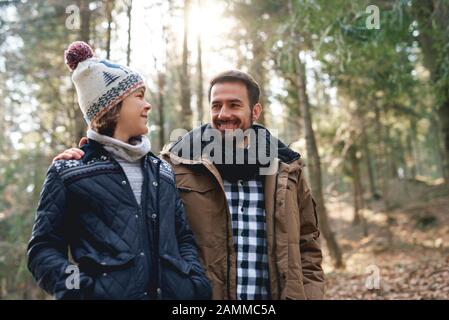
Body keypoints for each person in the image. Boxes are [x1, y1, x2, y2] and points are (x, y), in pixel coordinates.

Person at [55, 69, 325, 300]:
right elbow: (131, 200)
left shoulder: (287, 170)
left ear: (255, 111)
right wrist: (87, 156)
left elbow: (308, 245)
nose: (223, 114)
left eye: (234, 105)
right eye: (216, 105)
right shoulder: (174, 165)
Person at [27, 41, 211, 300]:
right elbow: (43, 250)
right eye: (139, 96)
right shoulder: (69, 172)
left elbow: (183, 238)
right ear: (112, 106)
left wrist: (194, 284)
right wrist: (80, 291)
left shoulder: (163, 172)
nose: (147, 105)